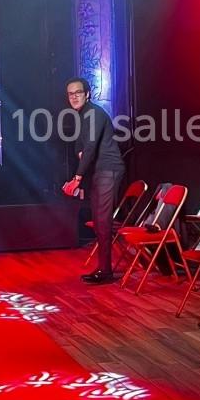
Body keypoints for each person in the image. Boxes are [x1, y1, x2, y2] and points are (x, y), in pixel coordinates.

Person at [61, 77, 125, 284]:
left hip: (108, 170)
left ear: (87, 94)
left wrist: (77, 178)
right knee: (99, 221)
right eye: (70, 93)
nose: (74, 96)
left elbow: (89, 148)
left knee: (103, 220)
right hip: (99, 172)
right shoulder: (83, 116)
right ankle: (105, 267)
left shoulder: (93, 113)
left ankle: (105, 271)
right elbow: (79, 148)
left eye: (78, 92)